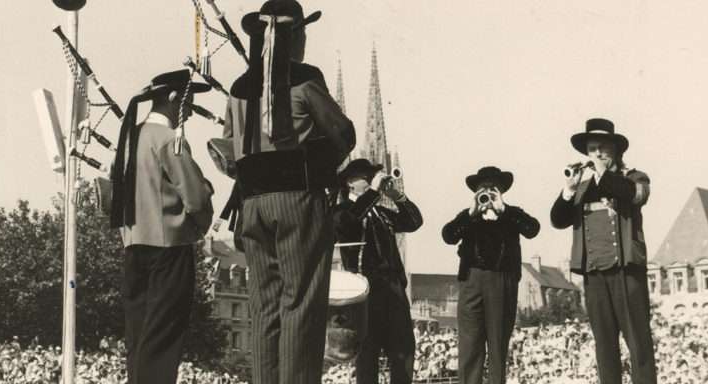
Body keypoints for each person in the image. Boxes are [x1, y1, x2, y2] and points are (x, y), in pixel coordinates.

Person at [221, 1, 356, 383]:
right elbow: (343, 134)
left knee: (264, 307)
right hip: (297, 199)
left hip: (252, 205)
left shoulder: (239, 86)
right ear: (293, 36)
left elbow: (230, 148)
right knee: (301, 303)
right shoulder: (305, 77)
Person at [109, 69, 214, 384]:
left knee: (139, 337)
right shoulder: (170, 139)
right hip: (170, 247)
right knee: (164, 338)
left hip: (134, 244)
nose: (192, 109)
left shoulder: (129, 137)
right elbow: (195, 198)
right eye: (189, 100)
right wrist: (201, 222)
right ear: (173, 97)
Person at [550, 118, 657, 384]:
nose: (596, 153)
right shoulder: (582, 189)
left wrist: (600, 174)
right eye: (591, 149)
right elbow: (557, 219)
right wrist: (568, 190)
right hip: (594, 275)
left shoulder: (633, 177)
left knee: (639, 343)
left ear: (616, 150)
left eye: (602, 148)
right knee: (604, 346)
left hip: (626, 273)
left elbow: (634, 194)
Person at [442, 166, 540, 384]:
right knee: (469, 345)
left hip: (502, 280)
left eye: (492, 188)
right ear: (475, 192)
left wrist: (503, 209)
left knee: (497, 346)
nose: (487, 193)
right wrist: (470, 213)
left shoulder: (512, 214)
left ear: (502, 191)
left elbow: (532, 229)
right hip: (471, 281)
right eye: (482, 189)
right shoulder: (469, 217)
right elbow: (448, 235)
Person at [333, 158, 423, 384]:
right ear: (350, 183)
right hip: (365, 290)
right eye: (366, 176)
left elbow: (413, 222)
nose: (371, 180)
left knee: (403, 349)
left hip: (392, 289)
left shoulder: (381, 212)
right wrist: (373, 191)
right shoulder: (340, 211)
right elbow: (349, 223)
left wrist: (398, 197)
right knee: (368, 353)